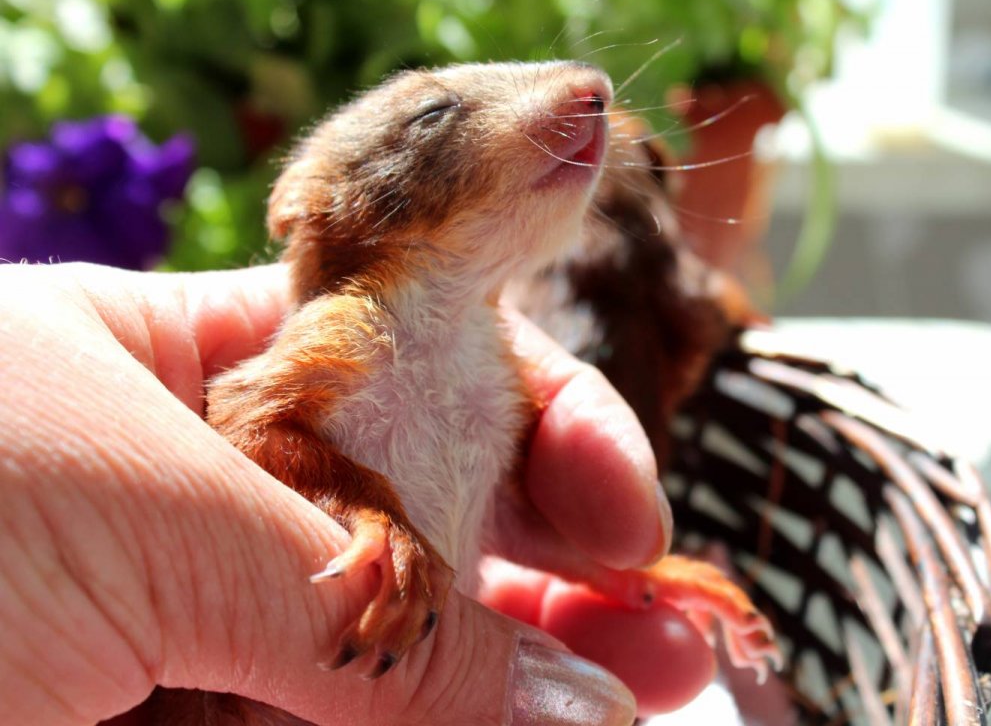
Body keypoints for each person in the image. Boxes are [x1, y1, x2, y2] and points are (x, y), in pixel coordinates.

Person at [0, 262, 715, 725]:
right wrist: (368, 508)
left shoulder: (494, 356)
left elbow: (507, 518)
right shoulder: (348, 319)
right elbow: (253, 427)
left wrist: (631, 577)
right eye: (435, 119)